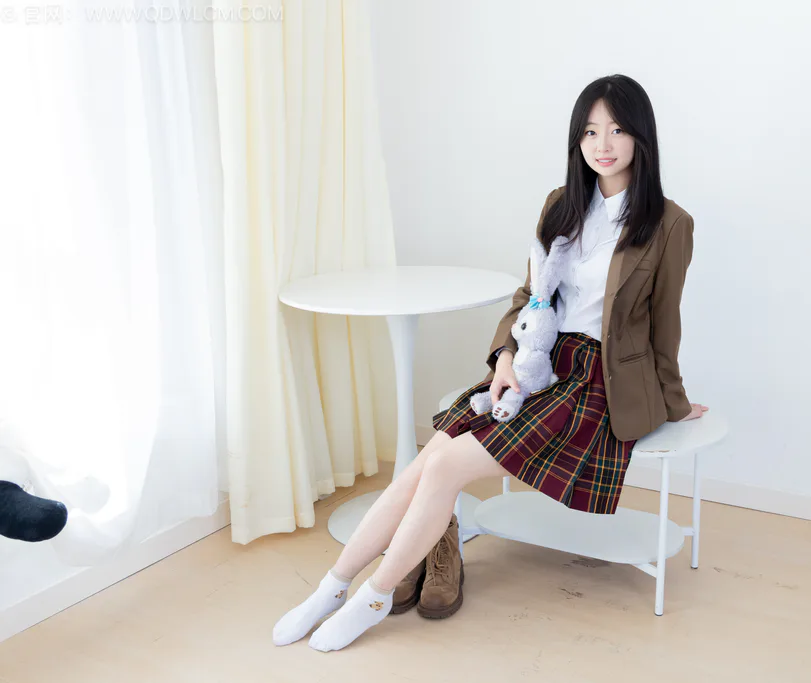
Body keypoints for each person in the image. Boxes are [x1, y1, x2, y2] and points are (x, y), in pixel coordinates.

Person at [272, 74, 708, 652]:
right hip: (536, 360)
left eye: (617, 130)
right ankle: (331, 588)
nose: (602, 144)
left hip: (596, 381)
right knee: (426, 463)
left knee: (445, 467)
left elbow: (664, 326)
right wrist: (504, 355)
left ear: (640, 137)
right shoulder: (562, 204)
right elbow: (529, 296)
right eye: (589, 131)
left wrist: (675, 402)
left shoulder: (670, 224)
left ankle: (373, 598)